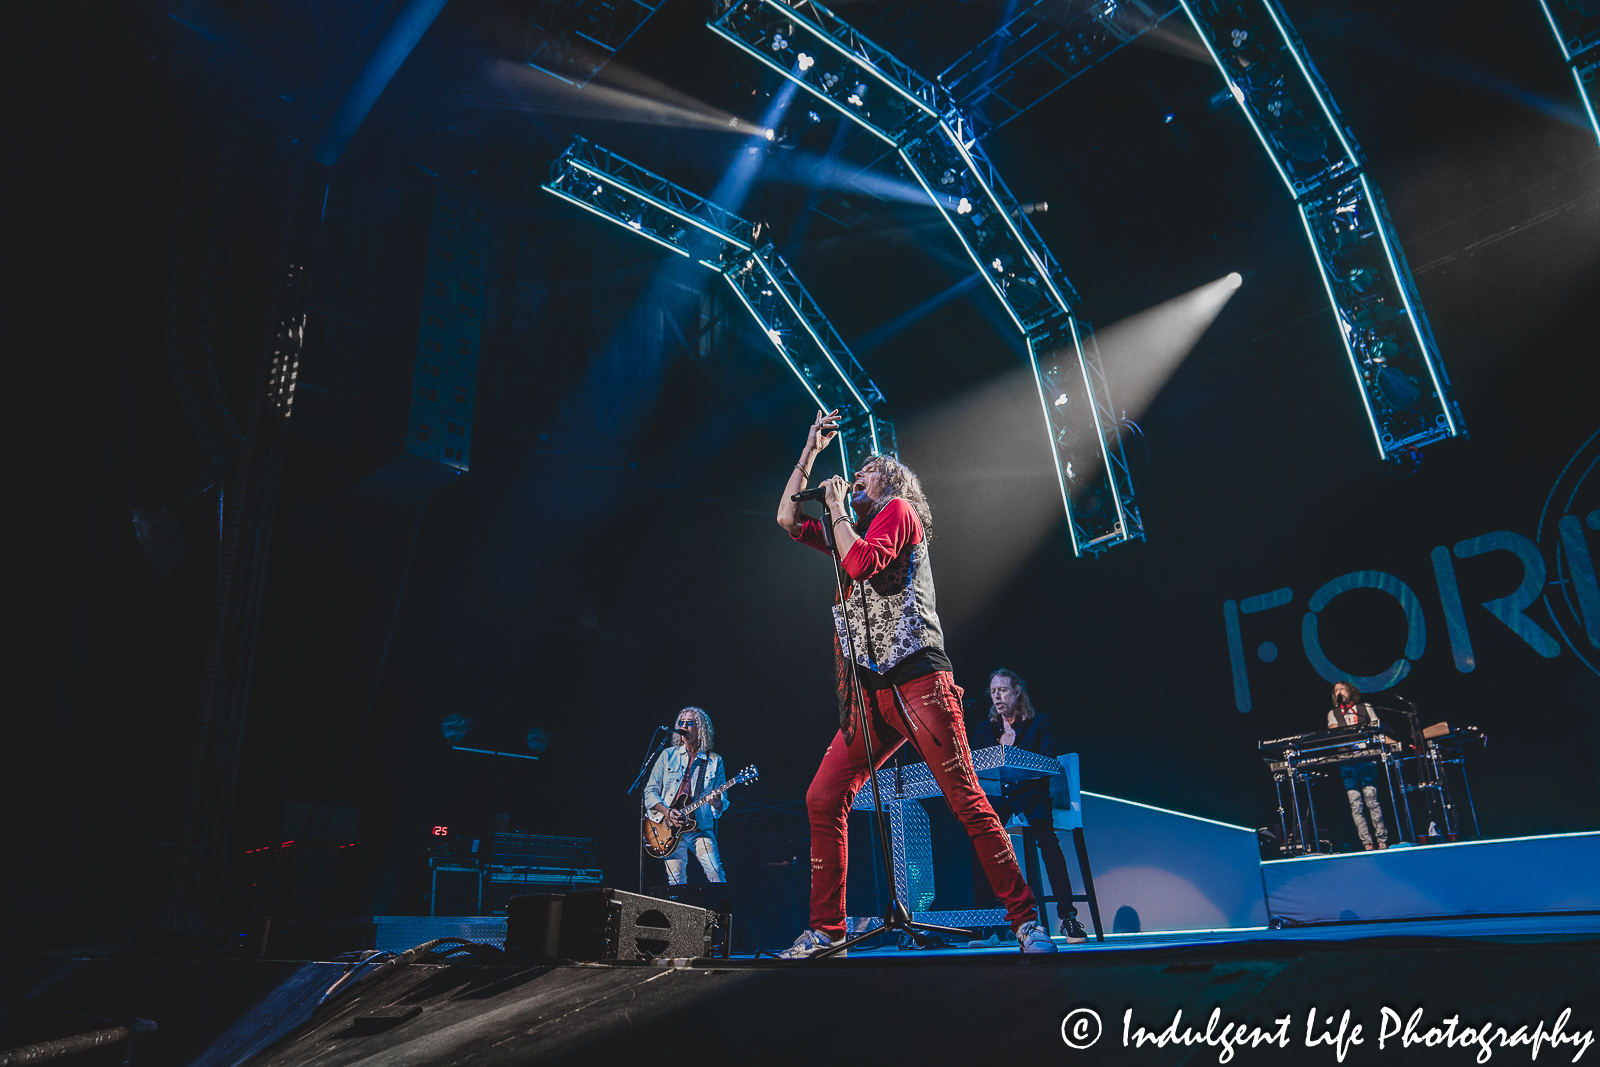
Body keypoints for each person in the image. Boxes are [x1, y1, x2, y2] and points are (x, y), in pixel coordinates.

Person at [773, 409, 1055, 957]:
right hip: (868, 691)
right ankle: (828, 930)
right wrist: (810, 451)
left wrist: (834, 505)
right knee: (823, 797)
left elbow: (860, 565)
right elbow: (785, 516)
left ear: (892, 484)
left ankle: (1026, 922)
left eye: (869, 470)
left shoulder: (898, 512)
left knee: (965, 798)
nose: (857, 475)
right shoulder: (845, 526)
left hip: (919, 679)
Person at [968, 669, 1088, 943]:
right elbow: (977, 766)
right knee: (981, 841)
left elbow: (1047, 763)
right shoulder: (985, 729)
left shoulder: (1040, 722)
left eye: (1003, 690)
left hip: (1032, 793)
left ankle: (1068, 917)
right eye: (993, 691)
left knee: (1047, 840)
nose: (997, 696)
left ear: (1017, 692)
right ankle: (987, 923)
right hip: (1001, 796)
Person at [643, 707, 728, 883]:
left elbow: (722, 804)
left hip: (700, 828)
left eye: (689, 723)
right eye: (681, 723)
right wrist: (667, 812)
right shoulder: (668, 755)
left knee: (715, 871)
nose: (684, 727)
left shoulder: (714, 761)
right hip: (668, 826)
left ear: (701, 728)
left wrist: (717, 803)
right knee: (676, 880)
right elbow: (649, 791)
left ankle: (721, 911)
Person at [1328, 682, 1389, 850]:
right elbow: (1334, 732)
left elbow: (1377, 728)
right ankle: (1367, 842)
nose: (1339, 692)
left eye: (1342, 689)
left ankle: (1382, 839)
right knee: (1356, 803)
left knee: (1372, 799)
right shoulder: (1333, 713)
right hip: (1347, 760)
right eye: (1336, 690)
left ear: (1350, 691)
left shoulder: (1365, 707)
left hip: (1366, 758)